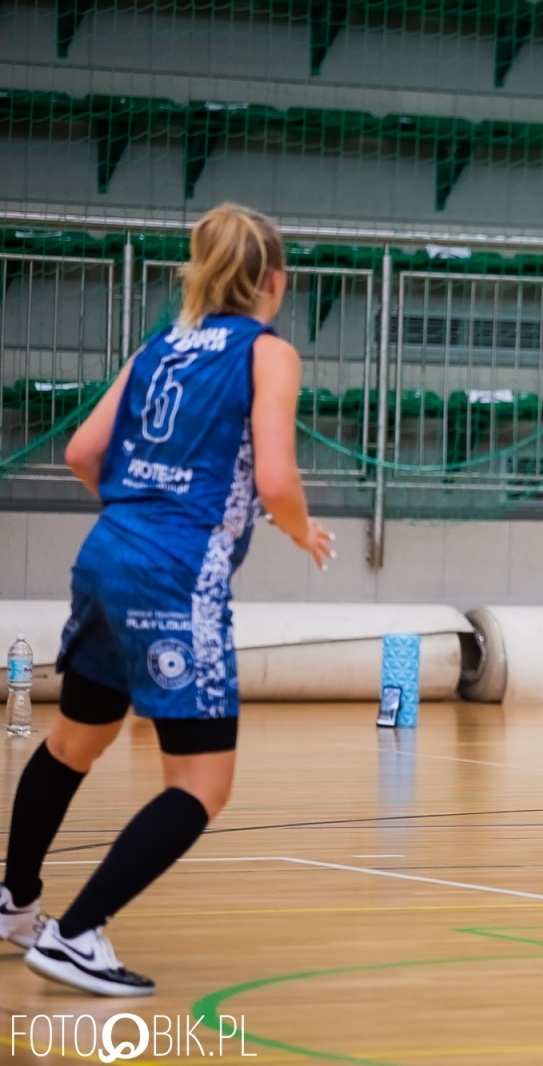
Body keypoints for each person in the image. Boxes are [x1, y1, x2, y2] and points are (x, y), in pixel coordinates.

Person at [0, 203, 333, 995]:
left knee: (75, 741)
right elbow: (277, 480)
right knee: (200, 785)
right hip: (175, 577)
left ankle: (15, 903)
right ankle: (76, 935)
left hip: (107, 553)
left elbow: (83, 451)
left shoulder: (160, 346)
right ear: (274, 282)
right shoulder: (268, 352)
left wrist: (136, 517)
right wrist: (301, 530)